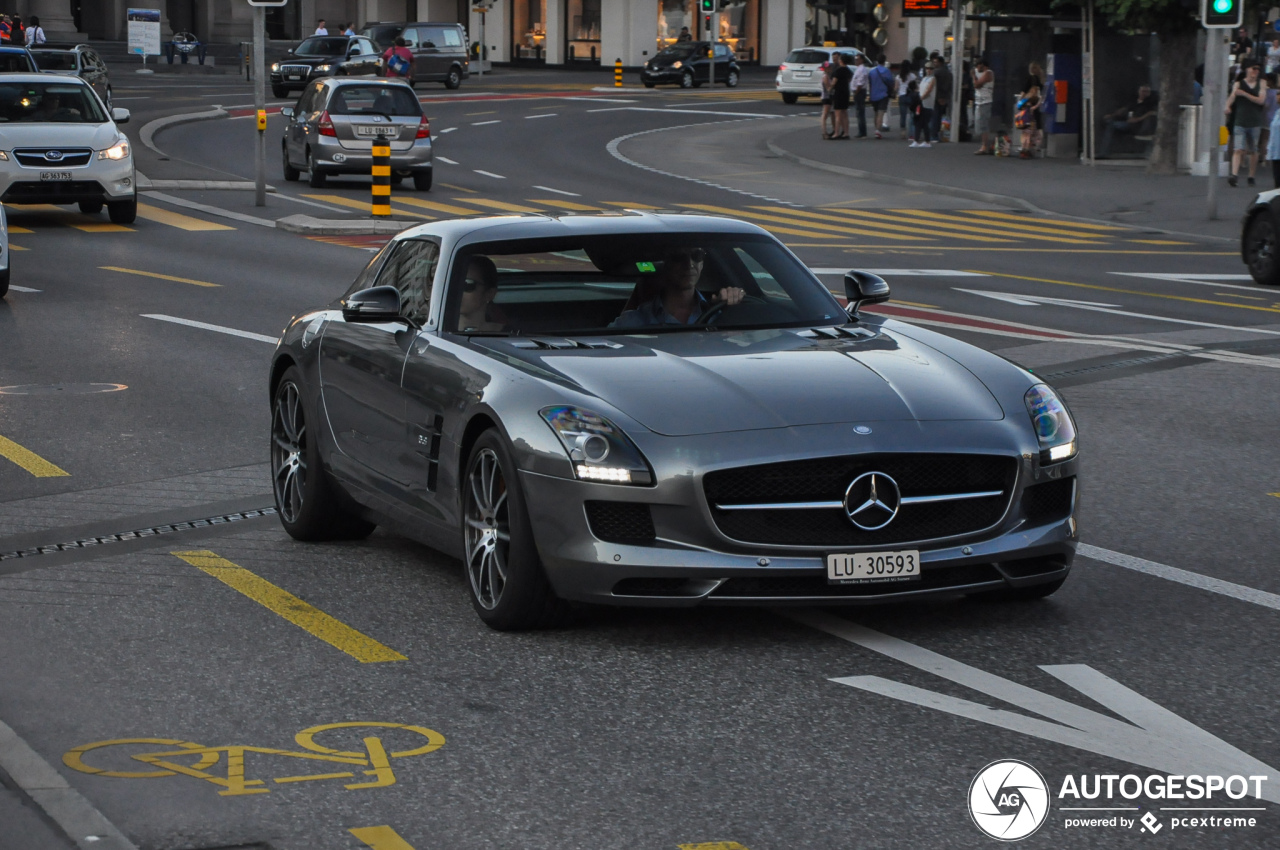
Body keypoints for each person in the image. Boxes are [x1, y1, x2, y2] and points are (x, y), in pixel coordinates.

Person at [611, 248, 745, 328]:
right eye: (678, 257)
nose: (689, 264)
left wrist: (736, 301)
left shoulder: (721, 313)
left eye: (697, 256)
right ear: (665, 264)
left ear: (702, 264)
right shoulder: (634, 321)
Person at [1227, 60, 1267, 187]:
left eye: (1258, 69)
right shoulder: (1238, 83)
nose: (1256, 71)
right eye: (1253, 68)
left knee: (1253, 150)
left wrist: (1244, 94)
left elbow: (1261, 100)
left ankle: (1251, 175)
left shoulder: (1261, 83)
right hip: (1240, 120)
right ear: (1247, 69)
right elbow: (1233, 96)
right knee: (1238, 149)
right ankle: (1234, 175)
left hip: (1255, 122)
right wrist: (1227, 106)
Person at [1098, 84, 1158, 158]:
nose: (1144, 93)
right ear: (1139, 92)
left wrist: (1138, 119)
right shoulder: (1134, 101)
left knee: (1113, 125)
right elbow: (1124, 109)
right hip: (1129, 123)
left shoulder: (1151, 102)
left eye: (1146, 91)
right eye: (1143, 91)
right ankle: (1104, 152)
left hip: (1141, 125)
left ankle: (1104, 152)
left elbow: (1151, 113)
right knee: (1110, 123)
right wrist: (1112, 115)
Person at [456, 257, 507, 332]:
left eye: (467, 284)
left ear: (490, 293)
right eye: (453, 284)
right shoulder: (436, 333)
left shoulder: (510, 335)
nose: (457, 291)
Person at [1015, 61, 1043, 157]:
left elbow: (1023, 91)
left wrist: (1019, 103)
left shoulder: (1030, 79)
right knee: (1034, 128)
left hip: (1028, 107)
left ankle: (1025, 148)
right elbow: (1042, 96)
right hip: (1035, 108)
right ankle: (1031, 147)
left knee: (1026, 130)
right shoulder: (1039, 80)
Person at [868, 54, 895, 139]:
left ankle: (876, 128)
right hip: (883, 94)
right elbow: (891, 82)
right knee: (881, 113)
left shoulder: (872, 72)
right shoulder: (887, 71)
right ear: (884, 61)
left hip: (874, 94)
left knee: (876, 112)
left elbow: (870, 83)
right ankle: (878, 131)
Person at [972, 56, 994, 154]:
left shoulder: (988, 73)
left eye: (979, 66)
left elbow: (977, 84)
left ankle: (985, 146)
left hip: (985, 101)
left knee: (983, 124)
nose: (977, 68)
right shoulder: (980, 73)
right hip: (979, 101)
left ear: (983, 66)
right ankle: (984, 144)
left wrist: (974, 76)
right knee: (979, 124)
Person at [929, 55, 953, 142]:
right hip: (946, 96)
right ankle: (941, 134)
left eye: (935, 62)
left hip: (937, 97)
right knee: (943, 117)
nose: (934, 64)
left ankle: (934, 135)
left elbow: (935, 86)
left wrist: (938, 96)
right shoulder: (949, 73)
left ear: (940, 63)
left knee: (935, 116)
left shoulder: (936, 73)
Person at [830, 52, 853, 140]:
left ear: (841, 61)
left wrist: (830, 88)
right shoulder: (848, 70)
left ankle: (836, 133)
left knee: (838, 114)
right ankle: (846, 132)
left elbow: (834, 81)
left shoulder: (838, 70)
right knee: (844, 113)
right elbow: (850, 79)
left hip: (838, 92)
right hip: (845, 92)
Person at [911, 64, 935, 148]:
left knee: (923, 122)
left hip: (927, 103)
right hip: (921, 103)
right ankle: (922, 140)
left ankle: (921, 140)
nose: (929, 70)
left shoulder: (933, 79)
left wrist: (922, 97)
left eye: (930, 68)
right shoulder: (924, 78)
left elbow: (929, 89)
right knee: (921, 123)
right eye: (927, 68)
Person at [849, 52, 870, 138]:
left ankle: (862, 132)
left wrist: (856, 92)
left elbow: (860, 84)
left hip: (860, 92)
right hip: (858, 91)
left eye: (857, 59)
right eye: (855, 59)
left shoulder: (861, 70)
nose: (855, 61)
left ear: (861, 60)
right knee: (859, 112)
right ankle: (861, 131)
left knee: (860, 112)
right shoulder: (859, 69)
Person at [896, 61, 916, 139]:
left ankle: (903, 132)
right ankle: (912, 132)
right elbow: (915, 87)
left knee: (903, 115)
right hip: (911, 96)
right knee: (912, 114)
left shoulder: (898, 76)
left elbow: (896, 87)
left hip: (902, 96)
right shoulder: (913, 76)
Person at [819, 58, 836, 139]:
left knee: (832, 114)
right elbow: (828, 89)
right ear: (824, 68)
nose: (829, 69)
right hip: (826, 97)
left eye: (829, 67)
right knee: (825, 114)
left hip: (829, 97)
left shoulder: (828, 76)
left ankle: (833, 130)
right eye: (827, 67)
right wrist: (833, 84)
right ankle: (824, 132)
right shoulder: (825, 77)